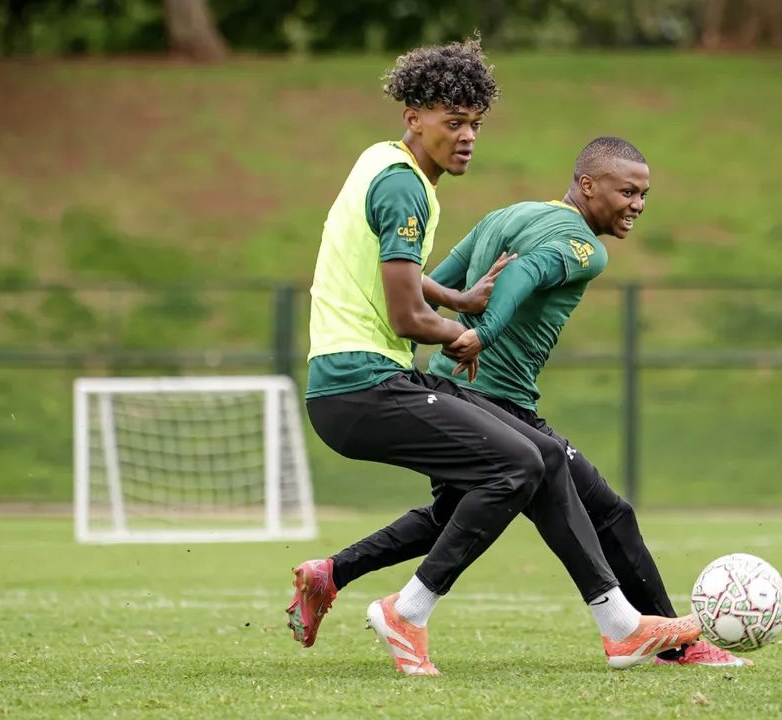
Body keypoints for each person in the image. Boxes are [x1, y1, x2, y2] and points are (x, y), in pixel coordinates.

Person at [297, 41, 698, 677]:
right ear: (414, 116)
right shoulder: (420, 193)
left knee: (509, 480)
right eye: (452, 122)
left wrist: (455, 301)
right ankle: (408, 612)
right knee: (526, 469)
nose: (466, 137)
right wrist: (469, 332)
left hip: (371, 380)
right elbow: (415, 314)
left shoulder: (384, 166)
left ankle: (623, 628)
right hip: (363, 383)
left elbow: (409, 275)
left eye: (475, 124)